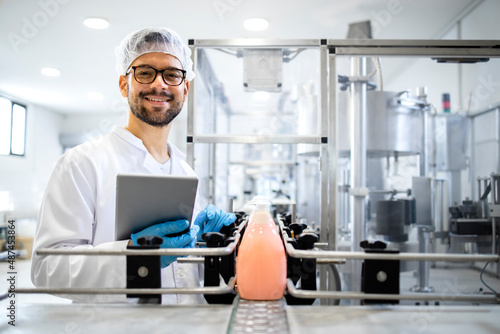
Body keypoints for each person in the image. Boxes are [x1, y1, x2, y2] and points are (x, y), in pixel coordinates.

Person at [30, 27, 236, 304]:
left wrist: (210, 244)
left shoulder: (186, 172)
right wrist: (132, 256)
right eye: (145, 72)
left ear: (184, 89)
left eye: (172, 74)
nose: (159, 85)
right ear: (124, 84)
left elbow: (184, 270)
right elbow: (47, 269)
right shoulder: (82, 163)